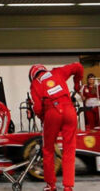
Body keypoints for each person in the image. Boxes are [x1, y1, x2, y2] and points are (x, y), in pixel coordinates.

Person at [29, 62, 82, 191]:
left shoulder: (35, 83)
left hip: (52, 112)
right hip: (69, 110)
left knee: (48, 150)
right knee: (69, 149)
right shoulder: (57, 72)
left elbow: (37, 108)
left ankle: (51, 185)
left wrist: (43, 119)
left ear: (33, 75)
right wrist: (76, 84)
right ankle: (68, 186)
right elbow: (78, 66)